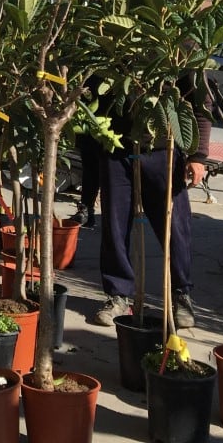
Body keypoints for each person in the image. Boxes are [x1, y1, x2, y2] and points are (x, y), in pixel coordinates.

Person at [87, 78, 212, 330]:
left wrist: (198, 154)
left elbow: (201, 101)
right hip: (116, 146)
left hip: (163, 148)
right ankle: (118, 295)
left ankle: (181, 295)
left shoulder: (180, 46)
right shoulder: (113, 42)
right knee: (114, 225)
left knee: (175, 227)